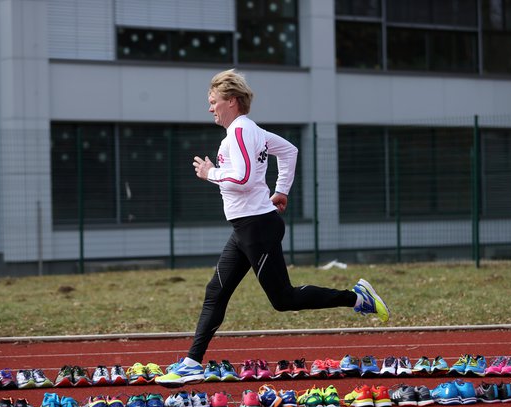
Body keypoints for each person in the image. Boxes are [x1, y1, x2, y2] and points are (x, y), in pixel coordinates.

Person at [156, 69, 389, 387]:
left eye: (214, 102)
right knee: (216, 292)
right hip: (246, 228)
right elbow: (289, 151)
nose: (210, 108)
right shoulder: (248, 131)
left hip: (257, 227)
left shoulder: (240, 131)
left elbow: (242, 177)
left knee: (284, 299)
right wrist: (281, 190)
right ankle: (192, 363)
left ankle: (357, 297)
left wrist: (210, 173)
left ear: (232, 101)